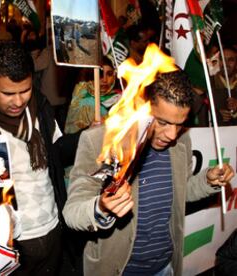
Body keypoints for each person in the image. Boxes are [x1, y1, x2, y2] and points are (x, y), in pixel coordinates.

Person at [63, 69, 235, 275]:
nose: (171, 135)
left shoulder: (181, 141)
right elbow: (72, 212)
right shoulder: (100, 141)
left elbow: (181, 191)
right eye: (162, 122)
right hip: (118, 269)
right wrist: (101, 208)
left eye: (179, 125)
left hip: (164, 267)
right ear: (142, 108)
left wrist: (207, 181)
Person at [0, 41, 80, 275]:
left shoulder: (41, 106)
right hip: (12, 243)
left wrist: (89, 136)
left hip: (53, 228)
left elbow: (57, 153)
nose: (18, 102)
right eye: (8, 93)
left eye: (24, 91)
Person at [65, 57, 121, 134]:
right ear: (91, 75)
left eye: (109, 74)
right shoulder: (86, 103)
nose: (105, 79)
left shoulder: (118, 97)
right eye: (100, 74)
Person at [211, 45, 237, 126]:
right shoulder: (208, 84)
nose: (226, 64)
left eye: (231, 60)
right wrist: (216, 115)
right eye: (223, 59)